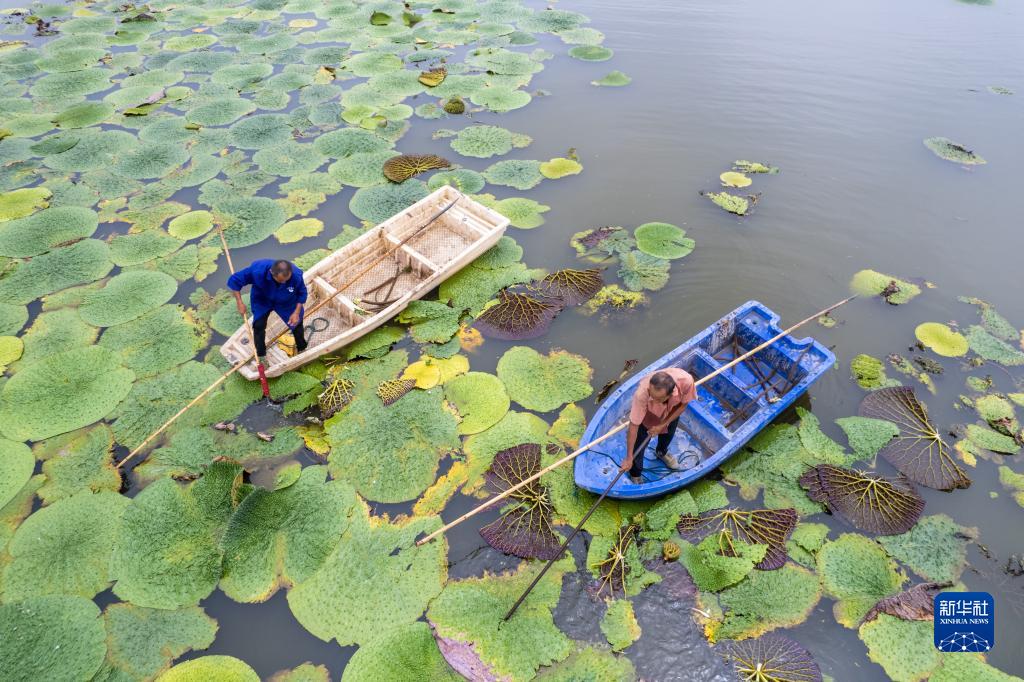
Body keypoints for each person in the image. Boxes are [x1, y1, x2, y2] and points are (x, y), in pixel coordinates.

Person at [620, 368, 698, 484]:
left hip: (671, 411)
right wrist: (628, 457)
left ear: (671, 393)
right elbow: (633, 425)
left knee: (668, 434)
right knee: (639, 443)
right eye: (652, 395)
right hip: (648, 412)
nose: (653, 399)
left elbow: (682, 405)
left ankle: (661, 452)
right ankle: (635, 473)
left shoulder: (686, 381)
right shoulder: (642, 394)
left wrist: (663, 424)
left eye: (658, 398)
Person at [227, 259, 308, 364]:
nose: (284, 282)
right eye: (281, 280)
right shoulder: (257, 271)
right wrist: (239, 302)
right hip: (262, 299)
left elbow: (302, 293)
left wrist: (296, 313)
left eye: (286, 280)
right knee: (258, 325)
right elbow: (235, 280)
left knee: (296, 324)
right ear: (271, 273)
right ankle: (261, 355)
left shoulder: (295, 275)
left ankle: (302, 347)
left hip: (286, 301)